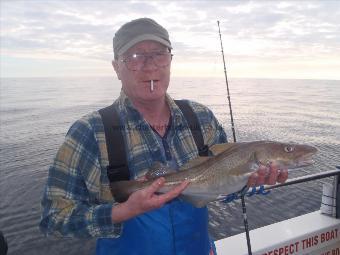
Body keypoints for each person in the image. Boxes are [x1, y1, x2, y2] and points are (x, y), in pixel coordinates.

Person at [40, 18, 288, 255]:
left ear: (170, 60)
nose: (150, 66)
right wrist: (122, 211)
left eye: (159, 54)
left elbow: (223, 185)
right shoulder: (90, 132)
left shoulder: (201, 118)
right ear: (116, 67)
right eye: (135, 57)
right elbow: (54, 218)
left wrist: (248, 181)